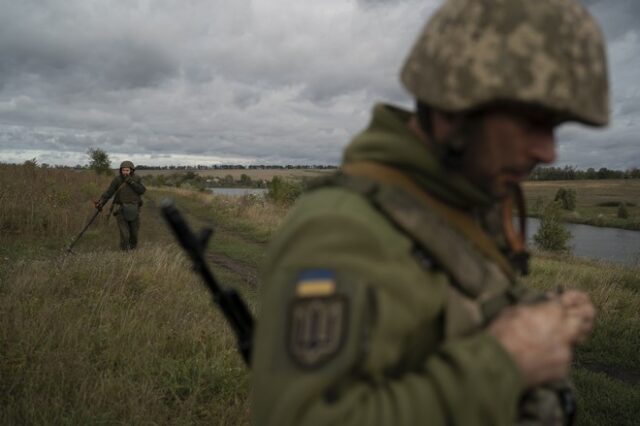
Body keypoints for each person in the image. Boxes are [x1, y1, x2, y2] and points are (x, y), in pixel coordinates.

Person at [251, 0, 607, 425]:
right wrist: (505, 363)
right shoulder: (339, 230)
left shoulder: (456, 202)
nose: (548, 153)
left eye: (555, 128)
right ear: (452, 110)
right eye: (532, 122)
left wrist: (545, 314)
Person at [96, 160, 146, 250]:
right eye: (123, 170)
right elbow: (109, 192)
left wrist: (131, 182)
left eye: (127, 170)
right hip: (121, 209)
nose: (125, 172)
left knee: (134, 234)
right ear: (121, 170)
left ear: (131, 170)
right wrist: (101, 201)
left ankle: (132, 251)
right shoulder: (117, 180)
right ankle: (124, 253)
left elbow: (142, 190)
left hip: (134, 209)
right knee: (125, 235)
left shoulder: (137, 178)